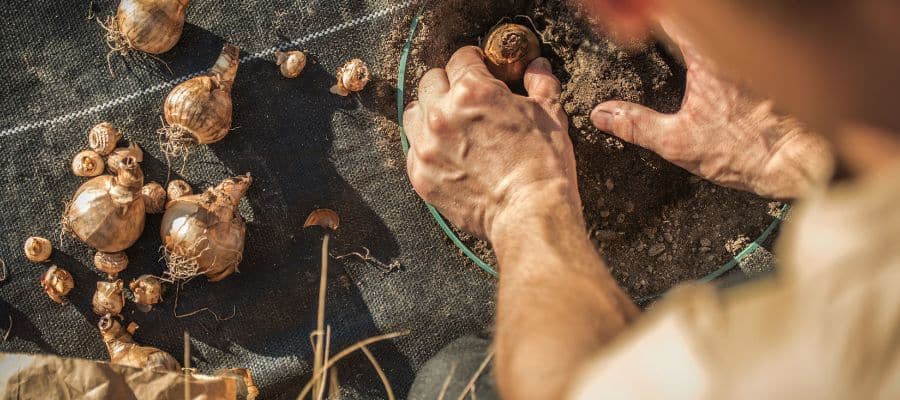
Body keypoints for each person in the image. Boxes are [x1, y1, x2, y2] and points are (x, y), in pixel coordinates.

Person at [403, 0, 900, 398]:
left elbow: (580, 385)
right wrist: (794, 155)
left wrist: (521, 199)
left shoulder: (823, 358)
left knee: (452, 381)